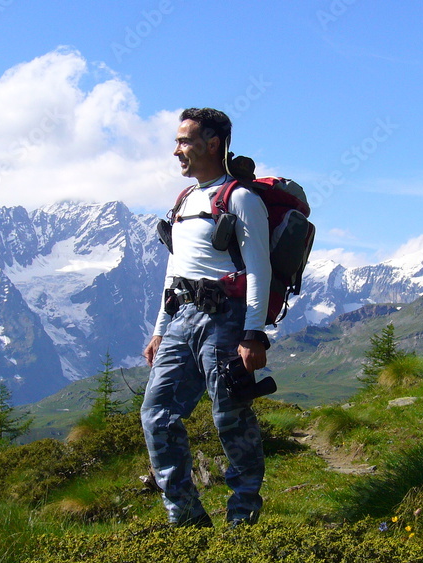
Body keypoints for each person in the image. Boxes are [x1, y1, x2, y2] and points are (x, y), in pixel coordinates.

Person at [141, 107, 272, 528]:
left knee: (229, 416)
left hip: (225, 321)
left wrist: (254, 335)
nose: (176, 150)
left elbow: (259, 269)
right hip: (180, 321)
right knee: (156, 414)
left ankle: (242, 518)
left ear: (212, 144)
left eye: (185, 141)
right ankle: (186, 518)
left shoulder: (240, 198)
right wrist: (160, 330)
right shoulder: (184, 200)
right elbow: (174, 269)